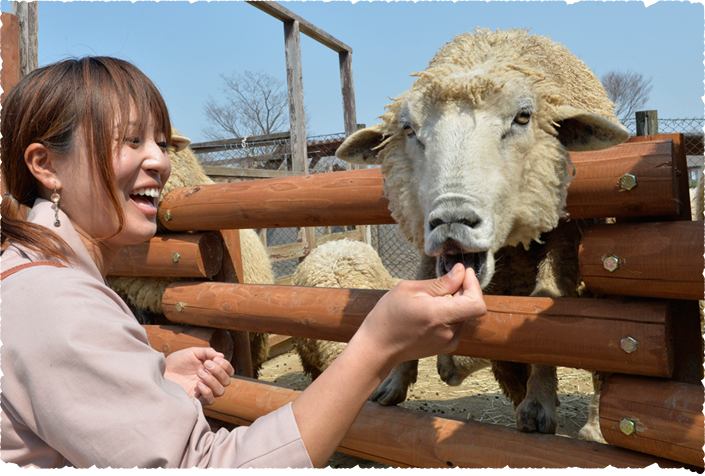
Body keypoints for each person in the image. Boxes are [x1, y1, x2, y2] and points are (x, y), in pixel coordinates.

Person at [0, 56, 487, 469]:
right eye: (130, 141)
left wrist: (149, 380)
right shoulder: (58, 305)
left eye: (162, 144)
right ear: (45, 165)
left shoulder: (28, 278)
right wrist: (378, 345)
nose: (160, 162)